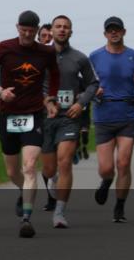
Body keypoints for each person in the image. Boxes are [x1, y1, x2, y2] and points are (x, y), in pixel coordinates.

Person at [0, 10, 60, 238]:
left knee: (29, 166)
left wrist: (51, 99)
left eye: (31, 31)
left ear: (37, 31)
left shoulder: (46, 52)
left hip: (34, 113)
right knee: (12, 171)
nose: (26, 34)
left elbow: (55, 76)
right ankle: (22, 189)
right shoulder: (4, 47)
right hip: (8, 114)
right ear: (17, 28)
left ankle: (26, 218)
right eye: (23, 30)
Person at [88, 17, 134, 223]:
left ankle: (120, 206)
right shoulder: (95, 56)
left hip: (127, 113)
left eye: (117, 30)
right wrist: (93, 91)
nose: (114, 33)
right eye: (110, 30)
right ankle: (106, 181)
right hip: (103, 114)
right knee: (106, 168)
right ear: (105, 34)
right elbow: (87, 84)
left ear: (124, 32)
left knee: (123, 164)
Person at [40, 15, 99, 228]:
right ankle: (53, 179)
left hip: (69, 118)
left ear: (71, 32)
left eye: (66, 27)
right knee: (48, 169)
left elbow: (93, 84)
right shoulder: (40, 56)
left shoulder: (79, 58)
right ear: (51, 31)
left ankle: (59, 213)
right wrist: (45, 101)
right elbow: (30, 83)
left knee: (65, 162)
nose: (62, 30)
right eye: (58, 26)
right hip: (45, 117)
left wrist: (81, 103)